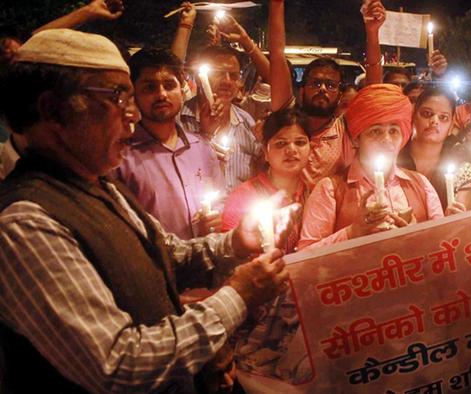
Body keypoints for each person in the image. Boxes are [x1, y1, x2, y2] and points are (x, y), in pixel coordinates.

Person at [0, 29, 290, 393]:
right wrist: (238, 295)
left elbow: (164, 252)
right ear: (53, 110)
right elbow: (121, 365)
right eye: (117, 96)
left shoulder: (99, 185)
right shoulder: (25, 223)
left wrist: (235, 240)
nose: (133, 113)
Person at [298, 84, 444, 250]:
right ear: (356, 139)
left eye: (394, 131)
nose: (386, 139)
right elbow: (305, 257)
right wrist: (352, 233)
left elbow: (441, 244)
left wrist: (417, 236)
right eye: (376, 131)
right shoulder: (330, 190)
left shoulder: (421, 184)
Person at [268, 0, 385, 188]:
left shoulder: (345, 132)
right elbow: (277, 55)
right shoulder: (285, 119)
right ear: (302, 90)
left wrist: (372, 32)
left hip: (329, 216)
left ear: (339, 95)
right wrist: (276, 5)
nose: (322, 89)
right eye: (316, 83)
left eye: (330, 85)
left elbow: (373, 91)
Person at [114, 47, 225, 239]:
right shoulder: (122, 158)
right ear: (134, 94)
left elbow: (220, 201)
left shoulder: (203, 148)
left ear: (182, 90)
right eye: (150, 87)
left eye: (169, 85)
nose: (162, 94)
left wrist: (216, 217)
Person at [222, 107, 310, 253]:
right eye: (281, 144)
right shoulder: (243, 196)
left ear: (310, 148)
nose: (292, 150)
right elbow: (228, 254)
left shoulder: (315, 192)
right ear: (265, 152)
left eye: (300, 142)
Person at [180, 45, 263, 191]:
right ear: (200, 79)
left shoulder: (247, 122)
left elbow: (260, 172)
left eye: (233, 76)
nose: (227, 81)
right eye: (219, 73)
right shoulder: (180, 121)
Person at [397, 86, 467, 210]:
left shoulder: (459, 166)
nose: (434, 121)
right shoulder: (395, 158)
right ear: (413, 117)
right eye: (427, 114)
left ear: (451, 126)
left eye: (443, 117)